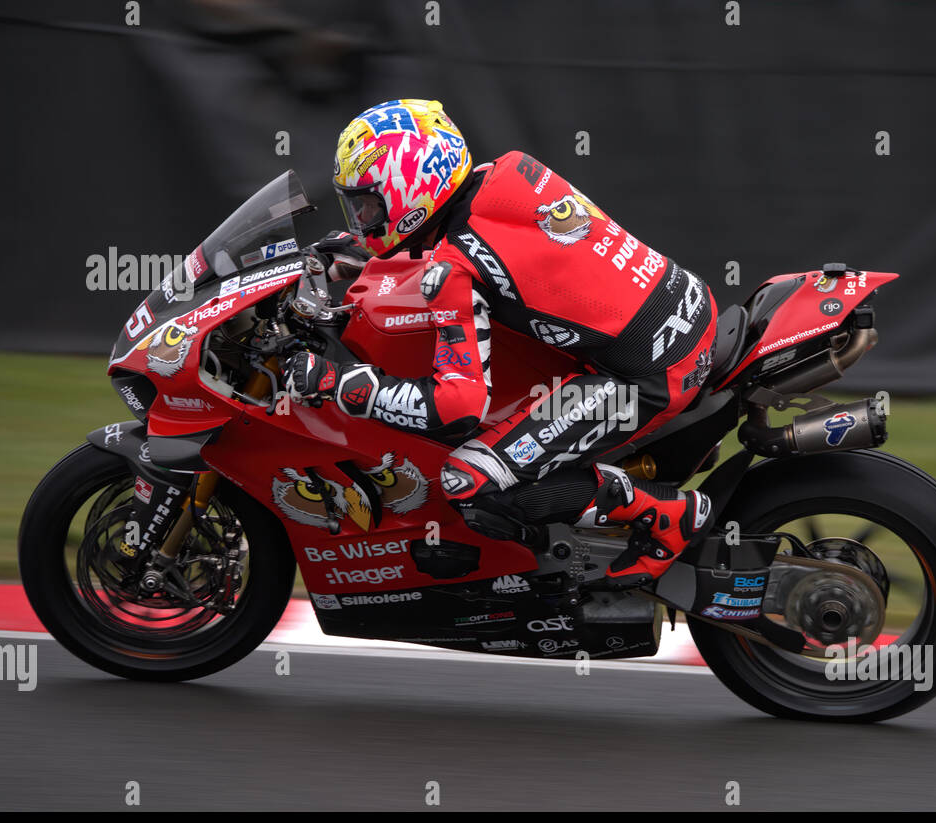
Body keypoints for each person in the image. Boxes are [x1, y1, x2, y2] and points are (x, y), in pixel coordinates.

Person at [287, 99, 715, 586]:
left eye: (368, 205)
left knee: (468, 480)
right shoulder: (511, 172)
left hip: (648, 372)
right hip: (686, 302)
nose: (363, 219)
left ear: (411, 188)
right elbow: (509, 256)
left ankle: (664, 512)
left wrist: (344, 385)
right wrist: (364, 254)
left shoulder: (453, 272)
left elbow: (457, 408)